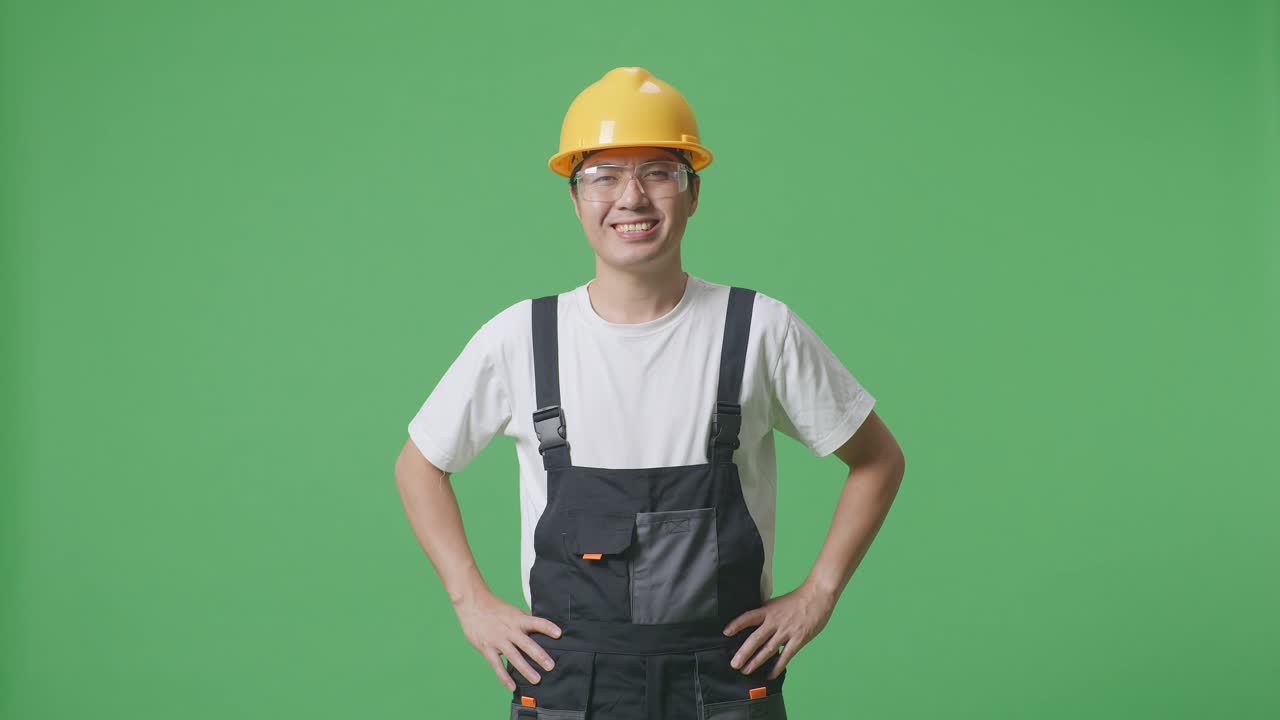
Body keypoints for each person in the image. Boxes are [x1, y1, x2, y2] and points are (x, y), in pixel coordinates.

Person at [394, 66, 906, 720]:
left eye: (659, 171)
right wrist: (471, 601)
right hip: (569, 686)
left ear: (693, 193)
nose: (631, 197)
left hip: (724, 686)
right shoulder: (521, 338)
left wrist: (820, 593)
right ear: (575, 198)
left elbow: (877, 459)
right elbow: (419, 465)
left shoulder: (759, 330)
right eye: (603, 176)